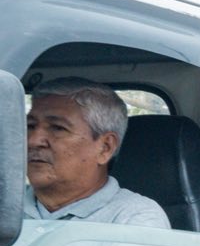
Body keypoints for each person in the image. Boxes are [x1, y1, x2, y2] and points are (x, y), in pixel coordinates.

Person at [23, 79, 170, 227]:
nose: (33, 141)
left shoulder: (133, 218)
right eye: (30, 126)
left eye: (58, 128)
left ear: (105, 148)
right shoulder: (11, 202)